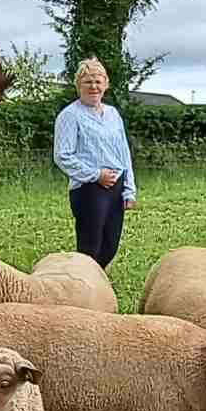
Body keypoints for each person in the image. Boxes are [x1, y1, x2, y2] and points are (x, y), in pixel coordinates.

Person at [53, 57, 137, 269]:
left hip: (116, 188)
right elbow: (63, 155)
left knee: (110, 246)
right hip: (89, 189)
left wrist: (129, 190)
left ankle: (93, 282)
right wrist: (96, 175)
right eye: (88, 81)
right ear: (78, 85)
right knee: (90, 248)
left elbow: (123, 152)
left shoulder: (113, 114)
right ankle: (84, 288)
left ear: (106, 84)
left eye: (98, 81)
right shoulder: (69, 116)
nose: (94, 86)